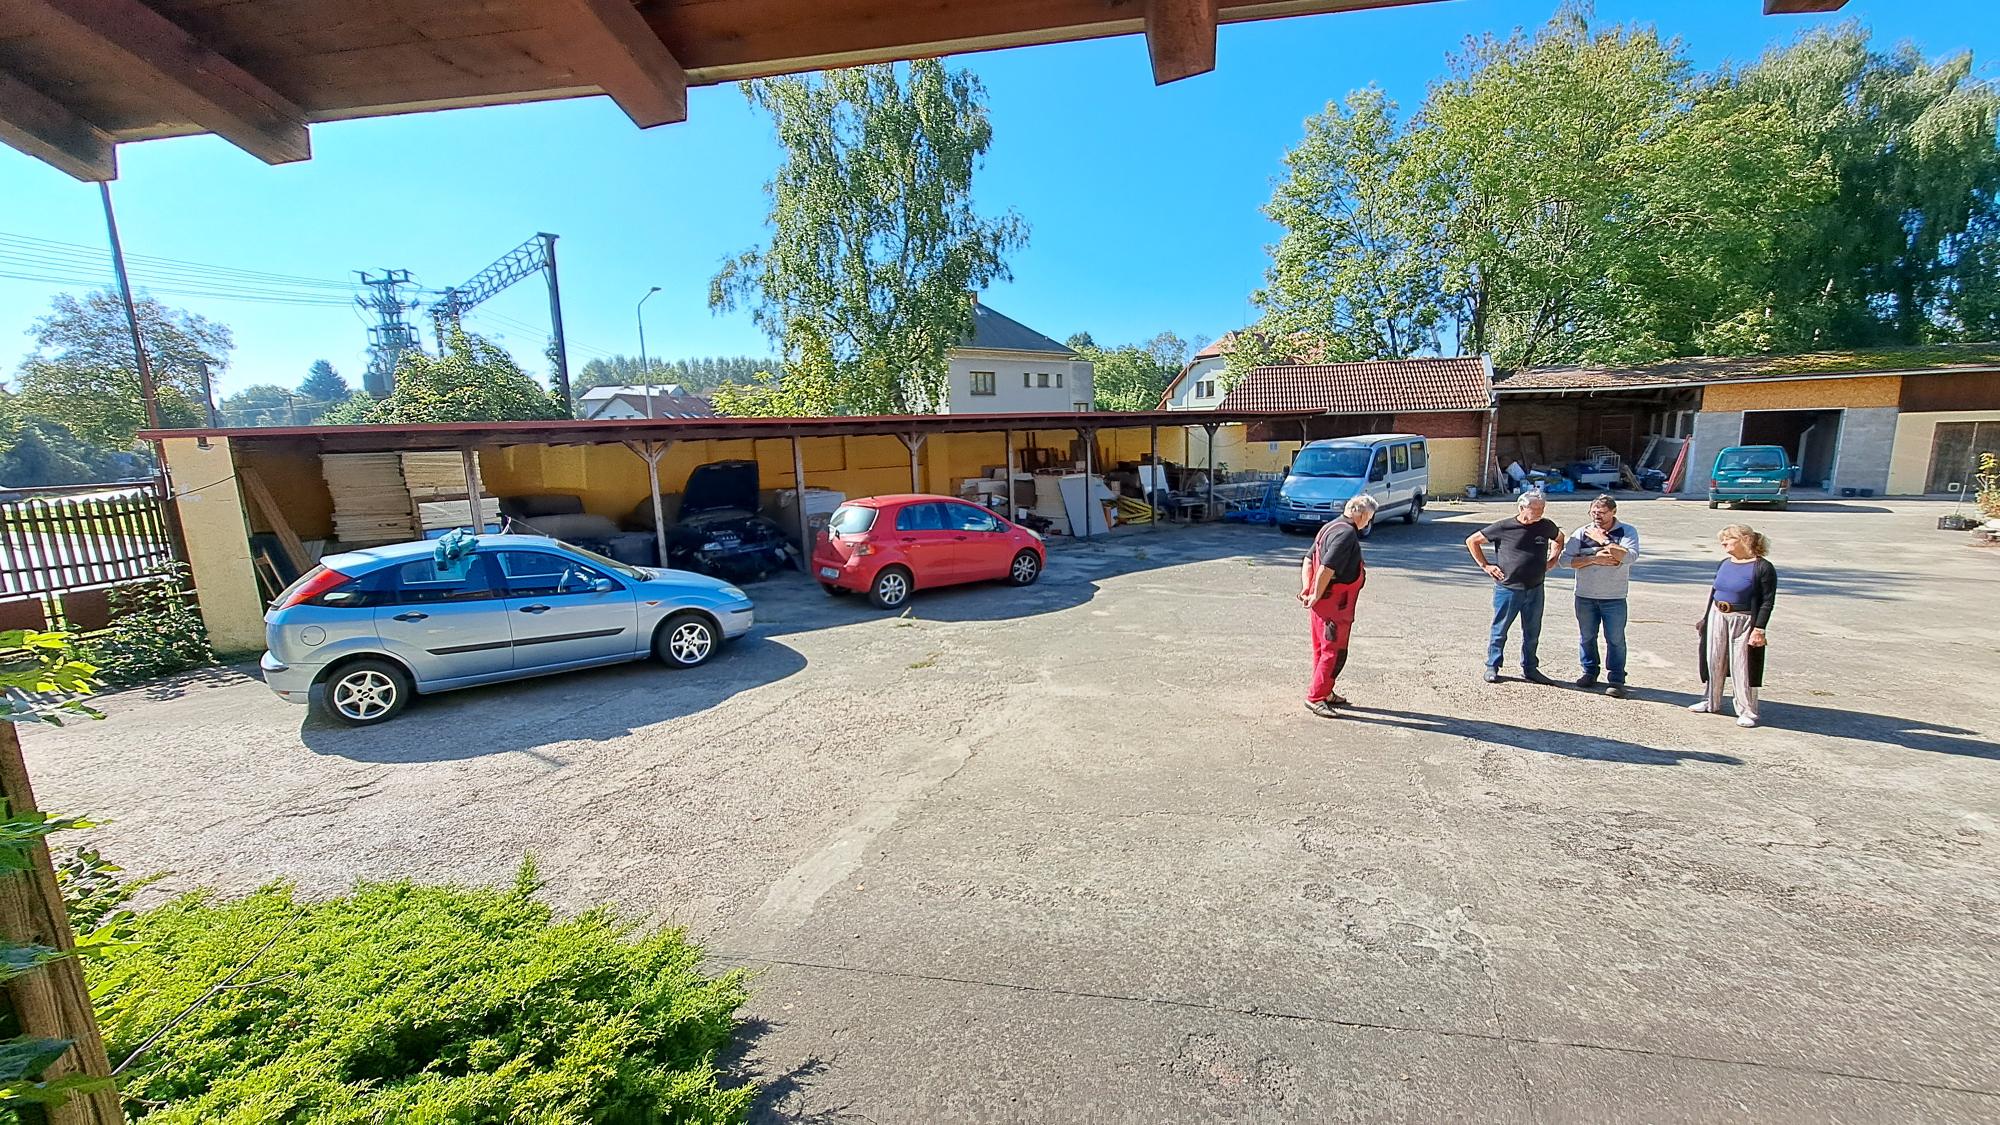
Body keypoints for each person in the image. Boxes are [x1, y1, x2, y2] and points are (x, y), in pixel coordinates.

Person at [1466, 491, 1562, 684]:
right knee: (1500, 630)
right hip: (1508, 588)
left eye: (1542, 509)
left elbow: (1559, 538)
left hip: (1535, 587)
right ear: (1521, 508)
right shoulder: (1504, 527)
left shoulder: (1546, 526)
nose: (1539, 513)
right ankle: (1492, 666)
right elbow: (1472, 541)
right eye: (1535, 509)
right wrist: (1486, 566)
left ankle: (1530, 668)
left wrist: (1552, 559)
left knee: (1532, 631)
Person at [1692, 524, 1778, 728]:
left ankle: (1747, 710)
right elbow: (1714, 592)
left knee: (1742, 665)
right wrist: (1705, 619)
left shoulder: (1763, 567)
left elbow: (1767, 601)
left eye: (1728, 538)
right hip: (1718, 614)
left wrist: (1759, 629)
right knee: (1713, 659)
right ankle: (1711, 701)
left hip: (1744, 619)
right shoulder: (1724, 563)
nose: (1723, 543)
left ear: (1745, 539)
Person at [1299, 494, 1376, 718]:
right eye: (1369, 518)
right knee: (1334, 652)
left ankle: (1325, 691)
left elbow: (1308, 559)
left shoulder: (1330, 527)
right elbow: (1326, 567)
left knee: (1321, 650)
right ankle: (1316, 697)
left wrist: (1308, 588)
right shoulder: (1346, 534)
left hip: (1323, 604)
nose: (1368, 523)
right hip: (1335, 606)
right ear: (1362, 514)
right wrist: (1315, 593)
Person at [1558, 495, 1640, 698]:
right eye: (1593, 512)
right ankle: (1589, 672)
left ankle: (1616, 680)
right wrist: (1594, 559)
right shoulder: (1582, 532)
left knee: (1615, 639)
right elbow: (1564, 561)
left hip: (1614, 597)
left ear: (1613, 512)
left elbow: (1629, 557)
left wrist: (1603, 540)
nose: (1597, 516)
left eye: (1602, 513)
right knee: (1587, 636)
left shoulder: (1626, 531)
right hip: (1585, 595)